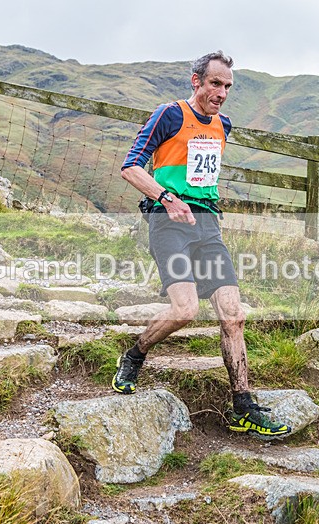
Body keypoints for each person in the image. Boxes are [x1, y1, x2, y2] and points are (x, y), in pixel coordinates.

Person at [114, 51, 291, 439]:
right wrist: (166, 198)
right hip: (169, 224)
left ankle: (243, 405)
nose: (221, 92)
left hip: (207, 226)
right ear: (196, 81)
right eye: (215, 83)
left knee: (233, 314)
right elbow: (131, 166)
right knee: (186, 310)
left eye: (227, 86)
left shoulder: (223, 125)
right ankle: (136, 353)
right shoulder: (170, 115)